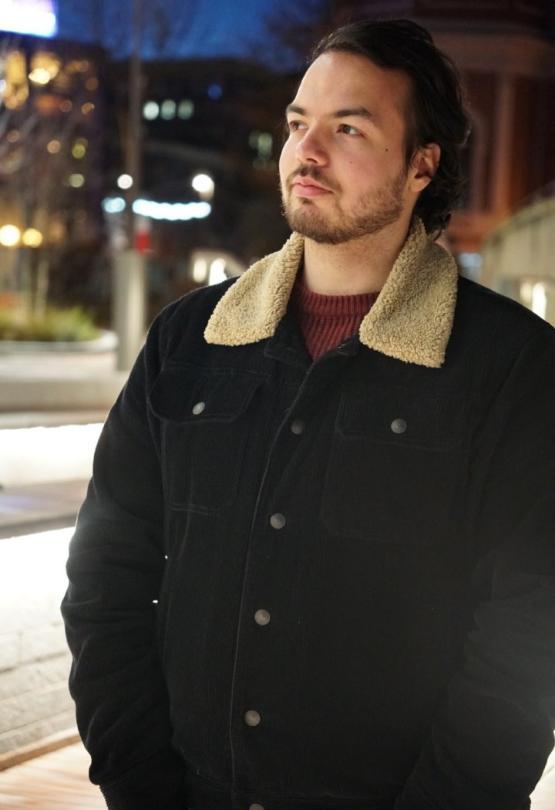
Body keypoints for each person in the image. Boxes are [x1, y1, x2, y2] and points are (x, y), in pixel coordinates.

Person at [61, 18, 555, 810]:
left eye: (347, 127)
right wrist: (139, 784)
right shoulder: (188, 342)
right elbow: (104, 582)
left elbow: (528, 635)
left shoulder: (511, 367)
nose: (307, 152)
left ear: (422, 163)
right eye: (298, 124)